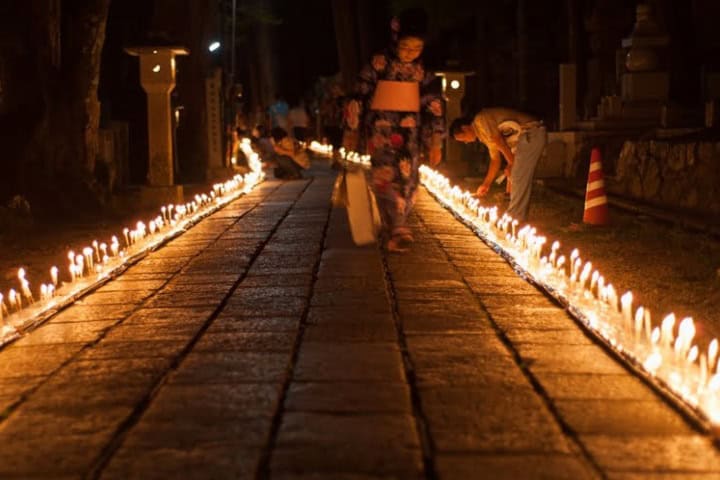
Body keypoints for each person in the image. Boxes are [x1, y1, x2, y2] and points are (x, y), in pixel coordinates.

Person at [343, 7, 444, 252]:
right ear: (396, 41)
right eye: (406, 47)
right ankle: (398, 227)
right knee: (385, 173)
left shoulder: (424, 72)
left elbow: (433, 104)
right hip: (381, 130)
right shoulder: (379, 63)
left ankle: (398, 222)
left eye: (417, 48)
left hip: (411, 131)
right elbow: (359, 94)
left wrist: (436, 140)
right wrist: (352, 128)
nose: (411, 53)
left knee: (409, 176)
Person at [450, 108, 546, 222]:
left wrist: (511, 163)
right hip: (524, 138)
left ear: (465, 128)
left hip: (531, 132)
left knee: (518, 175)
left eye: (463, 138)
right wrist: (486, 184)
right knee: (515, 175)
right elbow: (495, 160)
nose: (465, 142)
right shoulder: (483, 135)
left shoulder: (480, 120)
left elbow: (499, 141)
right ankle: (514, 215)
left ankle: (515, 218)